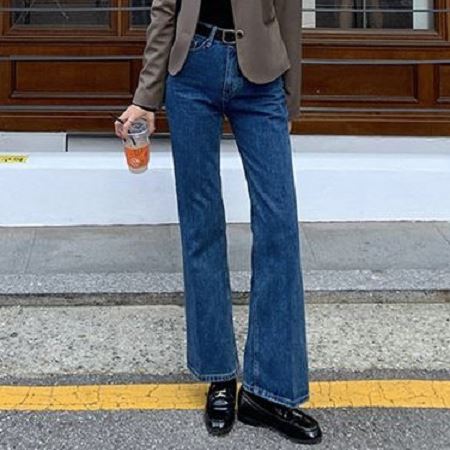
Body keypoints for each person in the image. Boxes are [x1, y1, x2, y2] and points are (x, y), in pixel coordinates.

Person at [115, 0, 322, 445]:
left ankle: (269, 392)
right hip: (191, 72)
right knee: (201, 226)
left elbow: (288, 9)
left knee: (279, 227)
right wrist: (145, 98)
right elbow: (164, 9)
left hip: (262, 75)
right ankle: (219, 375)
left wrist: (291, 97)